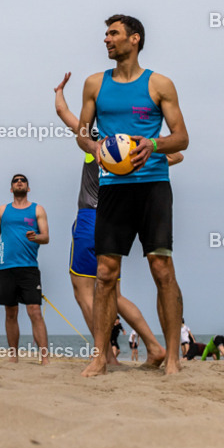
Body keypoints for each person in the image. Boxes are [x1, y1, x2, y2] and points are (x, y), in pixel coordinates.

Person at [74, 15, 190, 377]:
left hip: (153, 185)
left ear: (134, 39)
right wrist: (96, 146)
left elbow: (182, 137)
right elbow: (81, 132)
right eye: (105, 34)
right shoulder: (94, 84)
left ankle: (171, 356)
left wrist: (152, 144)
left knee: (162, 269)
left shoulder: (159, 84)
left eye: (113, 33)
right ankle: (100, 355)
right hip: (112, 189)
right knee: (105, 274)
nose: (106, 39)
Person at [54, 72, 175, 368]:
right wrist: (153, 153)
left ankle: (107, 354)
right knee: (112, 290)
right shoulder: (127, 149)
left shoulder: (100, 145)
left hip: (94, 213)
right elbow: (179, 154)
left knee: (85, 286)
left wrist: (58, 92)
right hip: (116, 210)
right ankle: (152, 345)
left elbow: (64, 113)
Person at [0, 174, 51, 364]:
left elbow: (46, 237)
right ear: (11, 188)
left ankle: (44, 358)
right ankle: (13, 356)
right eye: (15, 180)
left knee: (34, 311)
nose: (19, 182)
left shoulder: (37, 209)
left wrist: (36, 236)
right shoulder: (3, 210)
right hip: (5, 267)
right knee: (11, 313)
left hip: (28, 268)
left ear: (28, 188)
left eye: (23, 180)